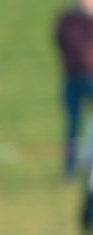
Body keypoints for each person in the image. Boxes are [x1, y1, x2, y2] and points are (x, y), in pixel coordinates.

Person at [57, 1, 93, 177]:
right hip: (71, 77)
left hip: (91, 76)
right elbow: (60, 41)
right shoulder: (67, 19)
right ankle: (69, 170)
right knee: (72, 124)